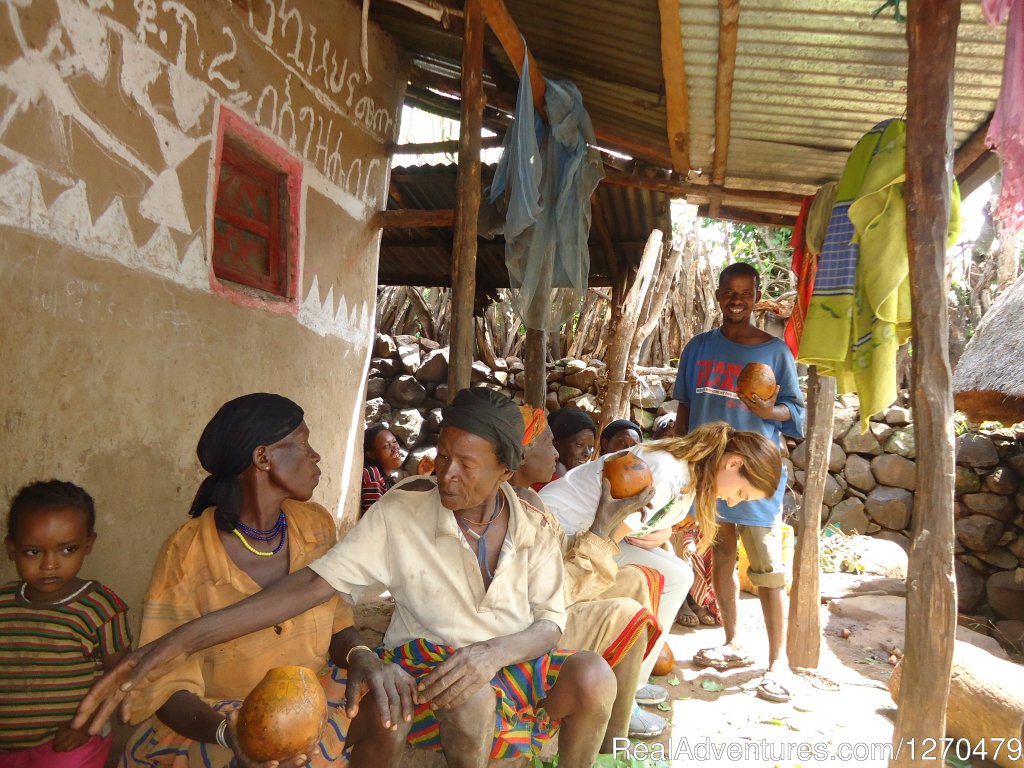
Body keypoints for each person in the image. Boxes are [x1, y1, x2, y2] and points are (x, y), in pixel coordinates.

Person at [75, 388, 616, 768]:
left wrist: (488, 653)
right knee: (462, 692)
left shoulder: (534, 524)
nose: (445, 473)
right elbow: (314, 587)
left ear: (506, 469)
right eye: (443, 455)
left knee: (594, 675)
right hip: (423, 668)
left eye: (466, 464)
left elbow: (549, 624)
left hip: (499, 660)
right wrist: (170, 646)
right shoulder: (401, 514)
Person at [116, 393, 408, 768]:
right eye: (303, 444)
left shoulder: (314, 525)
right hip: (217, 718)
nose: (315, 456)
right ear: (262, 457)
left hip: (310, 696)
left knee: (390, 711)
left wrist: (360, 655)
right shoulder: (187, 551)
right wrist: (233, 732)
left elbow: (337, 624)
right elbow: (166, 686)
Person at [539, 421, 782, 709]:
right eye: (741, 493)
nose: (731, 502)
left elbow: (636, 523)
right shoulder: (668, 472)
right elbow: (605, 539)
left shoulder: (688, 474)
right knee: (672, 577)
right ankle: (624, 698)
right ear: (734, 463)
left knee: (678, 574)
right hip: (556, 533)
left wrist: (664, 530)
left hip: (584, 531)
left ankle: (633, 684)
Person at [673, 261, 806, 704]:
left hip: (752, 478)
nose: (736, 300)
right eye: (728, 292)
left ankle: (777, 664)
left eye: (744, 293)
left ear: (755, 298)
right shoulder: (697, 348)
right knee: (721, 558)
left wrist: (771, 413)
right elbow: (686, 412)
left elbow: (796, 412)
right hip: (710, 476)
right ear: (717, 295)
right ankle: (733, 642)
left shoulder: (775, 351)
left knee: (766, 570)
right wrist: (683, 464)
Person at [511, 406, 668, 742]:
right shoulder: (513, 512)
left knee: (637, 578)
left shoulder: (533, 501)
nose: (555, 452)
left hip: (554, 598)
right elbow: (553, 594)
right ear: (520, 454)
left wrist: (610, 519)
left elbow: (564, 559)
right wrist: (601, 525)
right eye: (548, 444)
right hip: (531, 624)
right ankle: (612, 739)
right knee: (631, 615)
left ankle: (619, 700)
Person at [1, 480, 132, 768]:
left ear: (88, 545)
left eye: (67, 550)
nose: (50, 565)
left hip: (67, 743)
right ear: (11, 549)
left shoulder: (101, 608)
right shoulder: (3, 604)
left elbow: (120, 675)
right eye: (33, 552)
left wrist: (84, 727)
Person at [361, 425, 403, 515]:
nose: (395, 448)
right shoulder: (372, 475)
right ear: (371, 454)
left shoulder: (388, 482)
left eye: (394, 441)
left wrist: (423, 475)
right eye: (386, 446)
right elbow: (375, 519)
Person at [547, 408, 596, 479]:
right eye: (580, 444)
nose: (587, 454)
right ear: (556, 443)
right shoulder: (549, 482)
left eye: (591, 447)